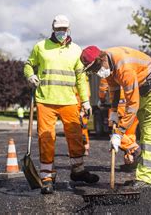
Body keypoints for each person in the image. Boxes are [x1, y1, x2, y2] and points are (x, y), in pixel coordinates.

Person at [24, 15, 99, 194]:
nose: (61, 32)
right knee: (46, 138)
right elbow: (28, 64)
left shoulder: (76, 50)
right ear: (53, 28)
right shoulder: (40, 47)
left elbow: (81, 78)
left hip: (69, 101)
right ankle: (47, 177)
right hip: (45, 101)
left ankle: (78, 171)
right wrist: (29, 75)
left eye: (64, 29)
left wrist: (86, 101)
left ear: (69, 29)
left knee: (75, 137)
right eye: (58, 29)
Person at [80, 46, 151, 189]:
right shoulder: (109, 65)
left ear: (101, 58)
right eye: (93, 70)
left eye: (96, 67)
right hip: (144, 88)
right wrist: (114, 112)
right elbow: (115, 90)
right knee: (146, 132)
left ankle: (145, 178)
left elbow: (132, 106)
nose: (96, 72)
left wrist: (118, 133)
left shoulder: (124, 68)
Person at [99, 78, 140, 169]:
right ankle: (129, 162)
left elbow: (103, 89)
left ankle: (135, 149)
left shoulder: (109, 71)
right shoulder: (131, 69)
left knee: (116, 134)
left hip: (119, 109)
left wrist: (102, 100)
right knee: (129, 135)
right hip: (133, 109)